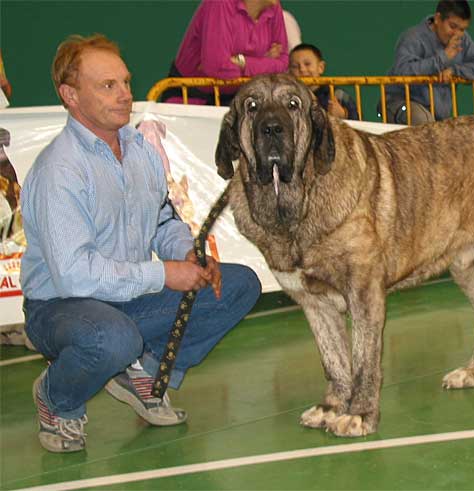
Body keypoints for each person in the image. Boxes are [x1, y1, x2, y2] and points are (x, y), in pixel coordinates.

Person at [20, 34, 261, 453]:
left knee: (240, 285)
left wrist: (187, 255)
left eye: (126, 82)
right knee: (112, 339)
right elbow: (76, 276)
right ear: (70, 95)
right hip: (59, 307)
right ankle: (58, 400)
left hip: (125, 297)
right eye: (107, 85)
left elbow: (162, 218)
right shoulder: (60, 170)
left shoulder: (139, 150)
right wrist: (165, 273)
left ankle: (146, 374)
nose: (125, 95)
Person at [382, 0, 474, 125]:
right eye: (453, 26)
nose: (457, 34)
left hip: (438, 113)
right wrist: (442, 58)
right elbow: (402, 71)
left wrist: (454, 70)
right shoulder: (413, 37)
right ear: (438, 18)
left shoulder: (462, 40)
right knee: (425, 123)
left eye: (462, 29)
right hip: (400, 102)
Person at [162, 0, 289, 105]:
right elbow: (217, 67)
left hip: (240, 98)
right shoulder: (220, 3)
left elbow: (282, 63)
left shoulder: (274, 7)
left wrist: (242, 63)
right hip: (191, 98)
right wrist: (264, 64)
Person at [289, 43, 359, 120]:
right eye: (294, 66)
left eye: (307, 64)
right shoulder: (289, 97)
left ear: (321, 67)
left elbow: (359, 122)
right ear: (289, 71)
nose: (302, 69)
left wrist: (344, 115)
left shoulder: (337, 94)